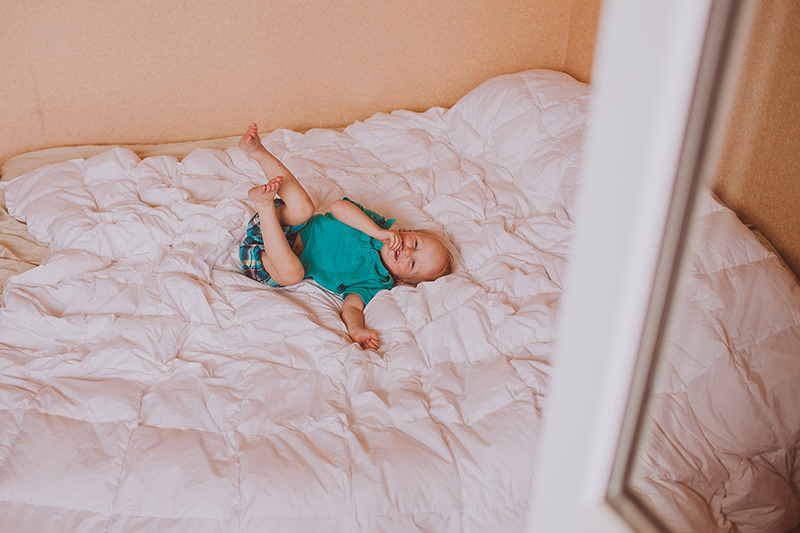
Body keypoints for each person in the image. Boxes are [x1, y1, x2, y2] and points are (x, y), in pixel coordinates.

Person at [238, 123, 453, 350]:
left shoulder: (374, 281)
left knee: (293, 274)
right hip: (286, 226)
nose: (408, 252)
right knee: (304, 209)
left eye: (413, 263)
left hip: (267, 259)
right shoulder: (376, 224)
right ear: (406, 231)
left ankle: (264, 205)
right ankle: (258, 152)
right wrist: (377, 232)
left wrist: (356, 330)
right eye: (415, 244)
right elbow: (338, 207)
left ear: (401, 280)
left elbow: (352, 307)